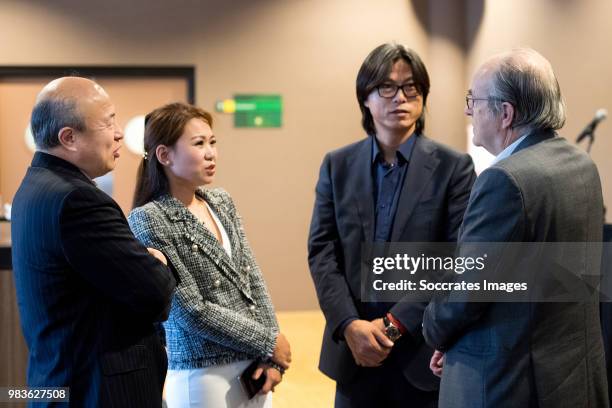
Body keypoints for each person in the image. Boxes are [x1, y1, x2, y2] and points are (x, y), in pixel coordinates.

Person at [423, 48, 609, 407]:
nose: (467, 110)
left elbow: (467, 293)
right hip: (572, 375)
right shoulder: (580, 164)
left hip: (510, 383)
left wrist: (435, 331)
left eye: (472, 99)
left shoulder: (504, 181)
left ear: (505, 113)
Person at [307, 43, 476, 407]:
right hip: (353, 353)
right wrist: (349, 325)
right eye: (387, 86)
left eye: (410, 87)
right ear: (365, 98)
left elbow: (454, 258)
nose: (400, 97)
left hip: (420, 353)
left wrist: (394, 325)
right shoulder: (337, 165)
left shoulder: (453, 167)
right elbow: (322, 252)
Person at [11, 77, 176, 407]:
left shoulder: (33, 188)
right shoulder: (78, 200)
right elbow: (155, 293)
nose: (118, 133)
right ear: (69, 138)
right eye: (108, 121)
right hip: (98, 392)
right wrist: (158, 262)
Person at [128, 102, 291, 407]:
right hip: (203, 374)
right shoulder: (149, 218)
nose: (210, 152)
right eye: (199, 143)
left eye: (213, 142)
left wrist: (273, 353)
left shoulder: (221, 201)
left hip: (254, 368)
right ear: (164, 155)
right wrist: (268, 340)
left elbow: (252, 276)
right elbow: (189, 310)